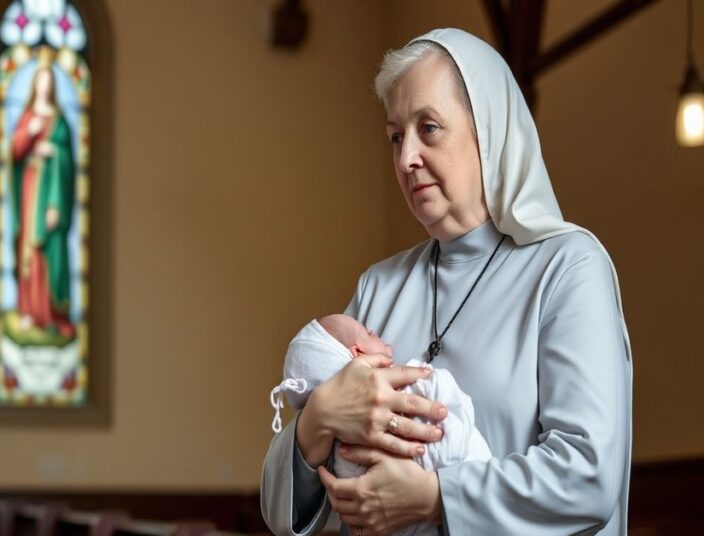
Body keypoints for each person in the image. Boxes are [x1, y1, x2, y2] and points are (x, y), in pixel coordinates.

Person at [260, 28, 632, 536]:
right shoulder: (379, 286)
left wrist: (435, 498)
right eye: (396, 136)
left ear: (490, 131)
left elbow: (587, 473)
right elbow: (284, 513)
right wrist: (318, 418)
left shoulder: (567, 268)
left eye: (428, 128)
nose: (406, 157)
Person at [270, 315, 491, 536]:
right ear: (357, 354)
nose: (374, 330)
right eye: (368, 332)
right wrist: (318, 415)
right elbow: (456, 407)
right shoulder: (418, 380)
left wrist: (435, 495)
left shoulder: (343, 455)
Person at [10, 63, 76, 339]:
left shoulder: (59, 121)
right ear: (35, 84)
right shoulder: (27, 117)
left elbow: (69, 163)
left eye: (50, 82)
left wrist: (55, 152)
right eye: (42, 81)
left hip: (52, 191)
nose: (45, 86)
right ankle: (28, 310)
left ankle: (50, 312)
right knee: (29, 248)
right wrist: (29, 133)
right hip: (29, 187)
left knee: (50, 248)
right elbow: (14, 152)